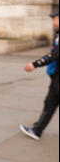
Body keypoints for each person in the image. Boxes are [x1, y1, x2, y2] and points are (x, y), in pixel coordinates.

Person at [20, 11, 59, 140]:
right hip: (56, 76)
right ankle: (37, 130)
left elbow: (54, 55)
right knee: (50, 103)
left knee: (51, 102)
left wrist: (35, 64)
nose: (54, 22)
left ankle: (37, 130)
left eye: (56, 19)